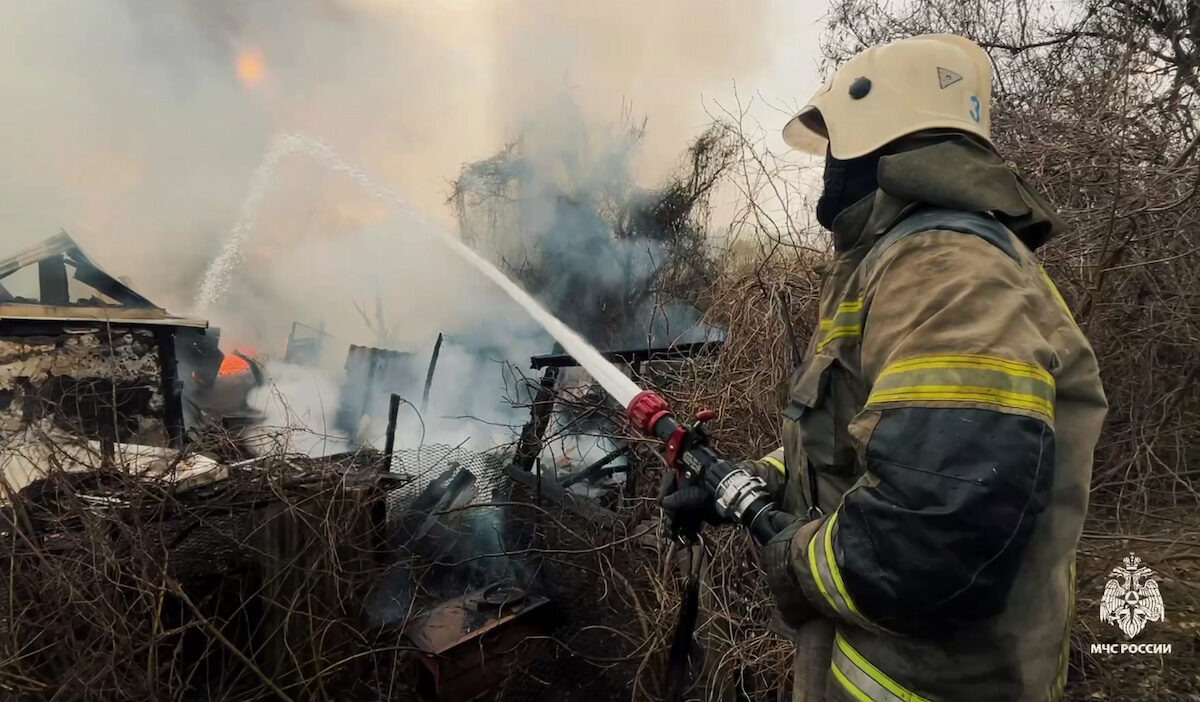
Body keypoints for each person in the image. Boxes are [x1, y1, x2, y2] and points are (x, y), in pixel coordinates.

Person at [662, 34, 1107, 701]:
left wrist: (792, 558)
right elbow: (865, 444)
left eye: (836, 143)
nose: (828, 168)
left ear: (877, 131)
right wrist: (750, 483)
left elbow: (932, 532)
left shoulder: (946, 271)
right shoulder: (897, 265)